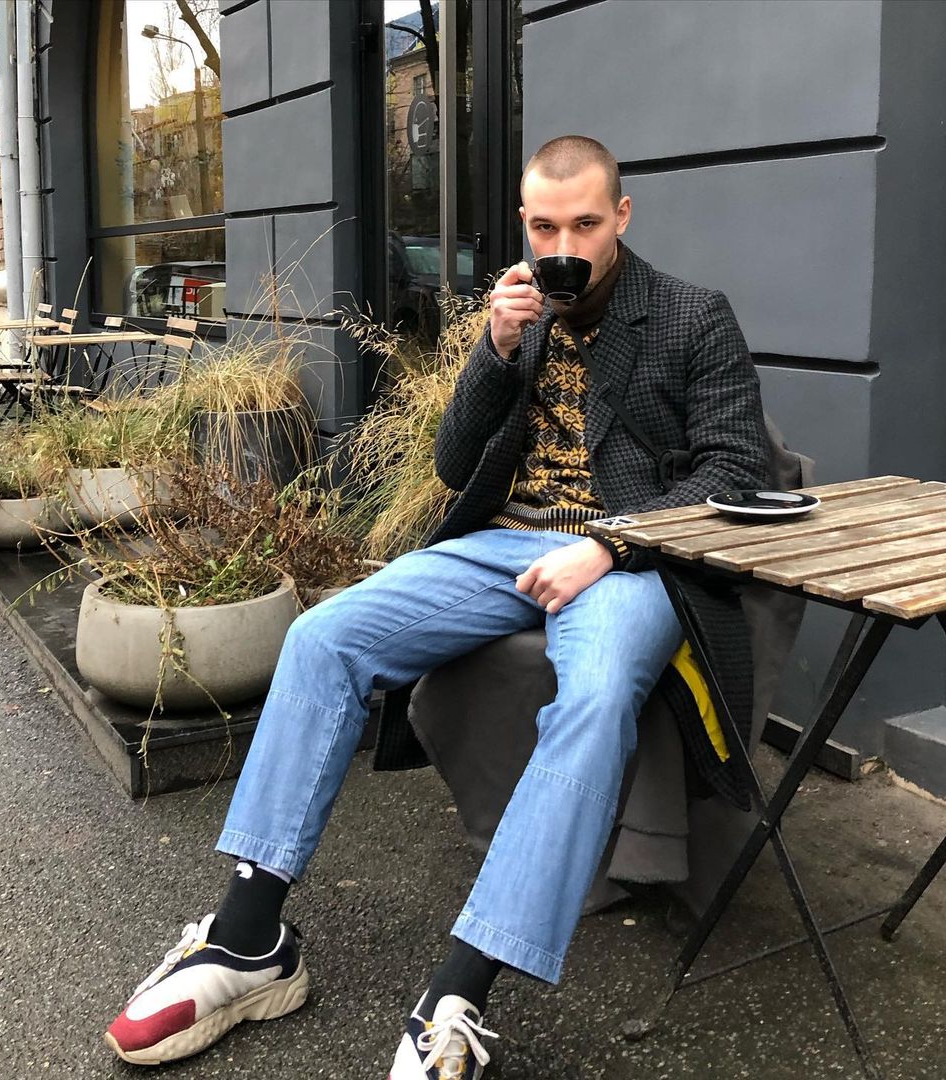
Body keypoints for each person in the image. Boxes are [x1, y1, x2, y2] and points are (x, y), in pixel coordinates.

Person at [104, 135, 770, 1078]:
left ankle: (460, 990)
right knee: (322, 636)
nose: (564, 247)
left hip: (631, 562)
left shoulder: (692, 316)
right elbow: (457, 464)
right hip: (505, 543)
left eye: (585, 224)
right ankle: (250, 940)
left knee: (592, 698)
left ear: (621, 216)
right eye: (546, 227)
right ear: (525, 224)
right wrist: (495, 350)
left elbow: (736, 471)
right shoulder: (521, 313)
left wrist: (608, 546)